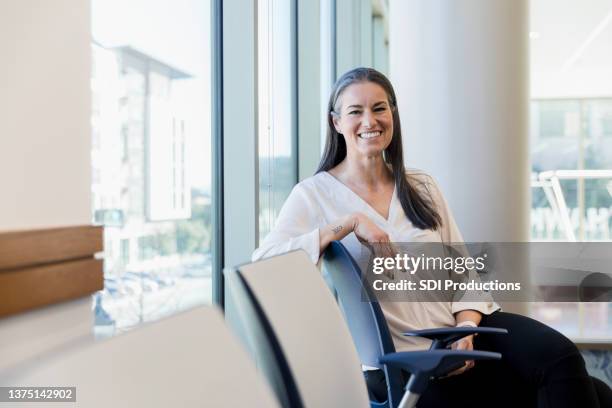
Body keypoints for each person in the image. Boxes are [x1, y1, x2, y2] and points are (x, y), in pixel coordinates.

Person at [252, 67, 611, 407]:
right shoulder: (314, 195)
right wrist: (348, 223)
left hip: (459, 334)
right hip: (409, 362)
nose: (369, 121)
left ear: (392, 114)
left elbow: (464, 273)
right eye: (355, 111)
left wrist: (466, 327)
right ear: (336, 122)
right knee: (592, 392)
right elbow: (263, 263)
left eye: (379, 108)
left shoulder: (420, 185)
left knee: (564, 360)